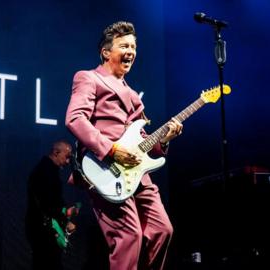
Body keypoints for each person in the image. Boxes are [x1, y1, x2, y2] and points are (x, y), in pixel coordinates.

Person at [65, 21, 183, 270]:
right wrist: (112, 149)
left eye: (134, 46)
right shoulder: (89, 78)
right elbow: (75, 119)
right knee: (129, 237)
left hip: (138, 174)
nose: (131, 51)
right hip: (106, 168)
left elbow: (142, 143)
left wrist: (162, 141)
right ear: (106, 52)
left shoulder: (133, 95)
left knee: (163, 230)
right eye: (124, 46)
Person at [25, 141, 77, 270]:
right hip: (42, 228)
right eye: (67, 156)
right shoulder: (45, 171)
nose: (67, 162)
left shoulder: (47, 170)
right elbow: (47, 203)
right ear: (56, 152)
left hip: (41, 226)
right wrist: (65, 217)